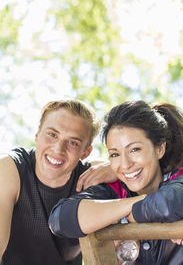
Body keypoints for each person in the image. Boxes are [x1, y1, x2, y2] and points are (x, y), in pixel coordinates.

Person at [49, 100, 183, 265]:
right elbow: (60, 219)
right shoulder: (114, 190)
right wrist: (132, 207)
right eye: (115, 154)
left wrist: (118, 215)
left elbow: (168, 206)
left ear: (159, 149)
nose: (126, 164)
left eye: (135, 149)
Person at [0, 99, 116, 265]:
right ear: (37, 135)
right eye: (52, 134)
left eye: (73, 142)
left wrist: (118, 170)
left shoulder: (93, 176)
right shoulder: (10, 170)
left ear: (86, 152)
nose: (58, 149)